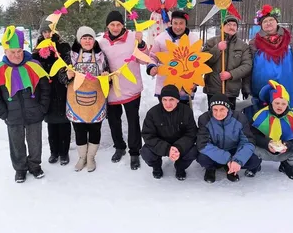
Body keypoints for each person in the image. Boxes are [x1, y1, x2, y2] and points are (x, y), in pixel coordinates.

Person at [0, 26, 50, 183]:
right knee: (16, 144)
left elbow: (45, 90)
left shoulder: (34, 66)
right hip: (13, 116)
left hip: (34, 113)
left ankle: (35, 166)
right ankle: (20, 169)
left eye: (19, 51)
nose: (16, 55)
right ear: (6, 52)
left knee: (35, 143)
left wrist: (42, 109)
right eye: (12, 52)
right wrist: (4, 114)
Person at [98, 10, 150, 170]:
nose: (115, 27)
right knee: (113, 121)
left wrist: (141, 44)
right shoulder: (101, 42)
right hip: (112, 88)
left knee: (133, 121)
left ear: (123, 25)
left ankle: (135, 151)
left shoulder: (133, 38)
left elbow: (144, 59)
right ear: (107, 25)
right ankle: (119, 146)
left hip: (130, 88)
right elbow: (97, 61)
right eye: (112, 24)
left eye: (118, 24)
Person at [68, 26, 109, 173]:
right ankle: (81, 158)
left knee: (94, 129)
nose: (87, 41)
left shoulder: (101, 56)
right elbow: (61, 78)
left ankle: (91, 157)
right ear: (79, 40)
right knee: (79, 130)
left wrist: (106, 77)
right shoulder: (70, 56)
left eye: (90, 38)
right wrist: (67, 76)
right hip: (76, 100)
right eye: (84, 38)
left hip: (96, 100)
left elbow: (109, 77)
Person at [32, 18, 72, 165]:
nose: (47, 34)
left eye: (49, 31)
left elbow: (69, 65)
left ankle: (64, 152)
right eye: (44, 31)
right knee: (51, 124)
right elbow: (34, 67)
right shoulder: (38, 48)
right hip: (46, 90)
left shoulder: (63, 46)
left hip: (61, 89)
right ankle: (54, 152)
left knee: (64, 123)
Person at [196, 94, 261, 183]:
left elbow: (248, 141)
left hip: (234, 151)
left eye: (222, 109)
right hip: (215, 151)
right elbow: (202, 144)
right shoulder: (204, 119)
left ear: (228, 108)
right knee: (202, 158)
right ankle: (211, 169)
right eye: (215, 109)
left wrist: (237, 160)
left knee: (254, 161)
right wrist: (227, 159)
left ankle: (231, 168)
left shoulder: (240, 118)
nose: (218, 113)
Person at [252, 80, 293, 181]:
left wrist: (289, 145)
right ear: (271, 103)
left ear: (287, 104)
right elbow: (253, 135)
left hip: (285, 151)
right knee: (249, 147)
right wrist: (267, 144)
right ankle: (255, 165)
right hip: (265, 150)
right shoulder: (261, 115)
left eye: (283, 103)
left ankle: (286, 167)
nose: (280, 106)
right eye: (277, 103)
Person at [141, 85, 198, 180]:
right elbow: (148, 135)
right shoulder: (152, 113)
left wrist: (178, 147)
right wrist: (167, 149)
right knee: (146, 152)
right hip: (161, 143)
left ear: (178, 100)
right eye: (164, 100)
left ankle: (180, 167)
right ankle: (156, 167)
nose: (168, 104)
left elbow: (191, 133)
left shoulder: (186, 111)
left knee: (193, 151)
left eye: (171, 99)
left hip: (180, 144)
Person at [247, 5, 293, 111]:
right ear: (261, 25)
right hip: (261, 86)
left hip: (286, 86)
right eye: (265, 21)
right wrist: (247, 88)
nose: (268, 23)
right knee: (262, 117)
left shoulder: (289, 39)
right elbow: (249, 66)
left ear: (276, 22)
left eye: (271, 20)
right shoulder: (254, 43)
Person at [147, 10, 200, 105]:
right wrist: (152, 67)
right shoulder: (161, 39)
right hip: (165, 86)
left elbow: (199, 62)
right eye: (175, 23)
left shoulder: (194, 39)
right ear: (171, 23)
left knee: (183, 116)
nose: (178, 27)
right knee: (165, 117)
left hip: (185, 87)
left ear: (185, 24)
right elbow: (152, 56)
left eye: (181, 23)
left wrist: (196, 81)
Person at [202, 15, 252, 109]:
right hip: (213, 88)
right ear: (222, 26)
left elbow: (247, 65)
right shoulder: (211, 42)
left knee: (230, 117)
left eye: (234, 25)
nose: (231, 27)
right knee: (214, 115)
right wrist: (217, 49)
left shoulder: (243, 46)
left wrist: (231, 74)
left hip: (231, 90)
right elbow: (204, 62)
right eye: (228, 24)